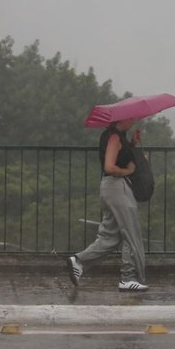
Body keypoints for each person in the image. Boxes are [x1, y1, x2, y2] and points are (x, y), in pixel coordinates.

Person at [67, 117, 148, 291]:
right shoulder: (113, 137)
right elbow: (109, 167)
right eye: (131, 118)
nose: (133, 121)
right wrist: (128, 171)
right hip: (117, 188)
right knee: (131, 233)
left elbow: (121, 157)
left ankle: (79, 261)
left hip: (112, 189)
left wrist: (133, 144)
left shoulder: (118, 137)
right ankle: (128, 277)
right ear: (121, 119)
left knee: (110, 236)